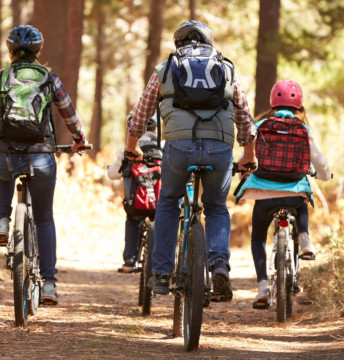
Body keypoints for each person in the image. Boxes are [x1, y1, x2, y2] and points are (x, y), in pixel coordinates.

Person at [125, 20, 257, 302]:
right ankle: (219, 264)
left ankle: (161, 273)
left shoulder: (165, 69)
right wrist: (249, 153)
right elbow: (244, 114)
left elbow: (140, 115)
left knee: (169, 201)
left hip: (179, 148)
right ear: (210, 43)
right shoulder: (227, 68)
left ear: (178, 45)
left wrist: (131, 147)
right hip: (220, 149)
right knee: (217, 207)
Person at [0, 25, 87, 305]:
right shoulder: (49, 79)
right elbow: (69, 113)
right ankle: (48, 284)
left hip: (5, 154)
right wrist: (79, 139)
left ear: (10, 51)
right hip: (41, 155)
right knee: (44, 218)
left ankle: (2, 219)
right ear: (38, 52)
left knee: (2, 163)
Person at [235, 80, 331, 304]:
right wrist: (325, 176)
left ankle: (261, 288)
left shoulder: (261, 126)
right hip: (293, 191)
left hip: (264, 192)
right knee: (302, 198)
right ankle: (304, 238)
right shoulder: (303, 130)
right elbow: (320, 162)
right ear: (299, 106)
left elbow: (246, 157)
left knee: (258, 237)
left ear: (272, 103)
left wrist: (242, 171)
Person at [107, 113, 161, 272]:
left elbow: (112, 174)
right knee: (164, 224)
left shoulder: (128, 151)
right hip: (160, 203)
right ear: (155, 128)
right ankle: (164, 263)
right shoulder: (163, 147)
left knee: (133, 221)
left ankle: (129, 260)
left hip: (135, 203)